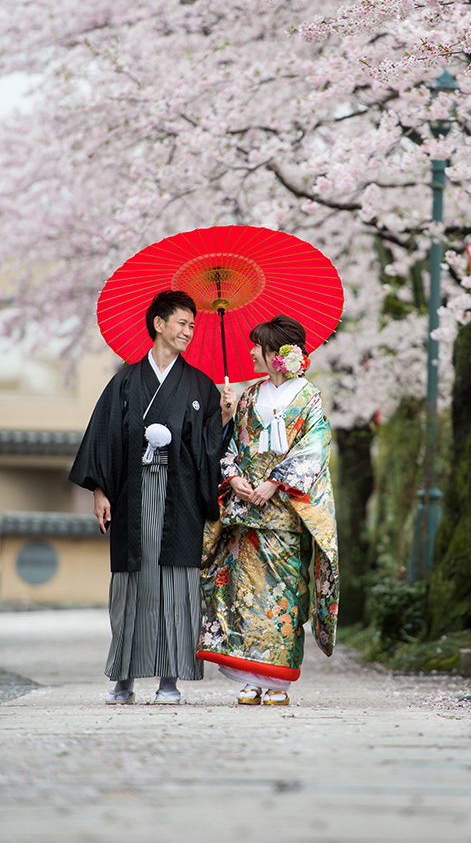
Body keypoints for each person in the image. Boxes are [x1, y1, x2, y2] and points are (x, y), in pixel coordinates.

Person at [69, 290, 235, 705]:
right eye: (181, 323)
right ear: (158, 324)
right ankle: (123, 678)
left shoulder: (200, 385)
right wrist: (101, 491)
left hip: (180, 495)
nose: (188, 332)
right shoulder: (125, 380)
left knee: (176, 586)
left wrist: (226, 416)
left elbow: (212, 447)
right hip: (132, 494)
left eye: (193, 325)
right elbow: (105, 437)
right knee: (131, 585)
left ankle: (169, 680)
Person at [197, 314, 339, 706]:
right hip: (247, 512)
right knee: (246, 594)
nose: (250, 353)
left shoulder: (308, 396)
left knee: (285, 595)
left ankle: (278, 682)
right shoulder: (248, 397)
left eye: (256, 347)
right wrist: (234, 477)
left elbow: (315, 445)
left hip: (286, 514)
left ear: (276, 353)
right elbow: (232, 448)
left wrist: (274, 481)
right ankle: (250, 676)